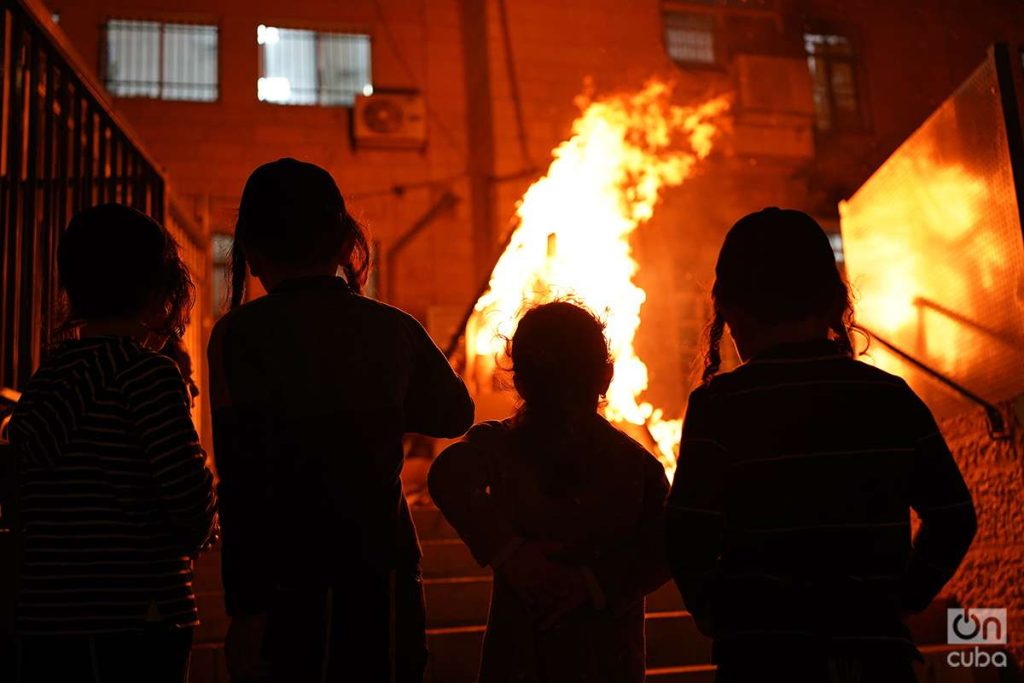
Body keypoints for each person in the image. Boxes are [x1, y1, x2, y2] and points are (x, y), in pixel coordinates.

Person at [666, 208, 977, 683]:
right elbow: (953, 514)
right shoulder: (889, 397)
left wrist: (715, 613)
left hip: (761, 658)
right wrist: (903, 598)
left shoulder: (719, 407)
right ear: (833, 299)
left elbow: (687, 534)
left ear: (729, 307)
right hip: (876, 657)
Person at [209, 158, 475, 683]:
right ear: (343, 243)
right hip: (383, 574)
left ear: (253, 253)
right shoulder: (391, 329)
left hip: (285, 582)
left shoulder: (237, 337)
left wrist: (245, 609)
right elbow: (455, 413)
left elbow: (238, 482)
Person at [8, 204, 217, 683]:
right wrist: (206, 521)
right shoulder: (148, 375)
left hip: (48, 618)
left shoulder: (47, 379)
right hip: (138, 614)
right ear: (162, 291)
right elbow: (188, 499)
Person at [429, 301, 671, 683]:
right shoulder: (638, 465)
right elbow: (665, 546)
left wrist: (508, 552)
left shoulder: (499, 446)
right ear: (606, 376)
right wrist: (595, 583)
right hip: (608, 662)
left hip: (520, 662)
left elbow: (447, 475)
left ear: (519, 380)